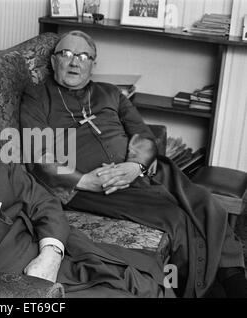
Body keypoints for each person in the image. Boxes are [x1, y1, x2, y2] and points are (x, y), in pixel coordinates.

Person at [0, 72, 174, 297]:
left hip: (57, 252)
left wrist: (51, 251)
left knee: (152, 279)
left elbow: (44, 201)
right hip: (19, 283)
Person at [19, 30, 247, 298]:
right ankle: (212, 289)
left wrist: (135, 166)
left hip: (140, 171)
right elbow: (40, 154)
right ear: (54, 61)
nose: (73, 62)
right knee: (175, 217)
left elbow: (142, 133)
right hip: (91, 187)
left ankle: (234, 280)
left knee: (206, 203)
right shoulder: (37, 97)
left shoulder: (110, 93)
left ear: (93, 64)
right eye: (66, 54)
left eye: (83, 56)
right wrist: (86, 180)